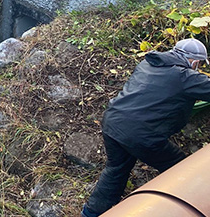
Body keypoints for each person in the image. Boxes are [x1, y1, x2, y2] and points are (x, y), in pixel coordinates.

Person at [82, 38, 210, 217]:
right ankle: (179, 208)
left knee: (116, 170)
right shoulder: (185, 77)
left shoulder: (147, 64)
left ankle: (90, 214)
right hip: (141, 134)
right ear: (194, 62)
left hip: (113, 123)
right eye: (199, 64)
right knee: (181, 169)